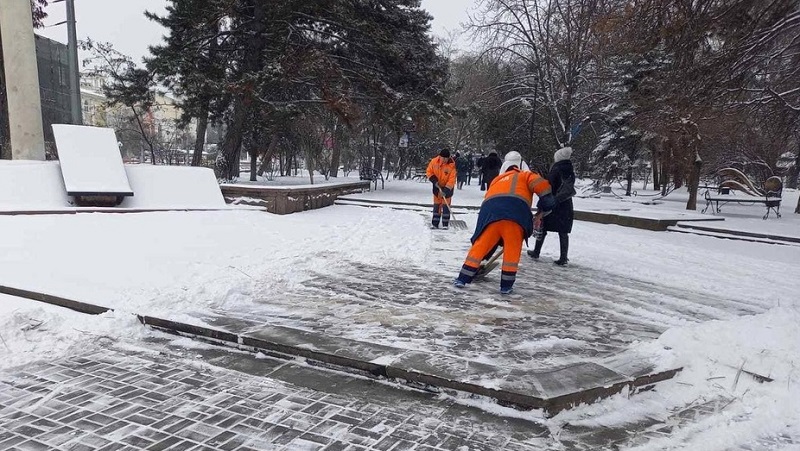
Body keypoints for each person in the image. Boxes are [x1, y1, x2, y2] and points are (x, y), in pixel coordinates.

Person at [453, 151, 556, 294]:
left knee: (480, 246)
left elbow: (490, 201)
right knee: (512, 251)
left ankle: (463, 278)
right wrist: (544, 208)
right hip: (515, 217)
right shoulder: (527, 175)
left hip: (490, 217)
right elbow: (544, 190)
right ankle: (506, 287)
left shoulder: (497, 180)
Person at [528, 147, 576, 266]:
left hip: (553, 202)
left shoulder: (556, 169)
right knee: (563, 231)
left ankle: (536, 251)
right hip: (565, 203)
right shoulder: (570, 170)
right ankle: (563, 257)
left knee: (543, 226)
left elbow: (550, 185)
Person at [425, 148, 457, 229]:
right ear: (440, 157)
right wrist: (434, 181)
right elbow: (429, 171)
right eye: (443, 158)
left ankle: (445, 224)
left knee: (446, 206)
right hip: (437, 187)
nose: (445, 160)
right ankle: (435, 223)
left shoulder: (451, 165)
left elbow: (452, 180)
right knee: (436, 206)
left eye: (447, 158)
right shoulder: (434, 162)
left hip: (447, 189)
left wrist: (446, 190)